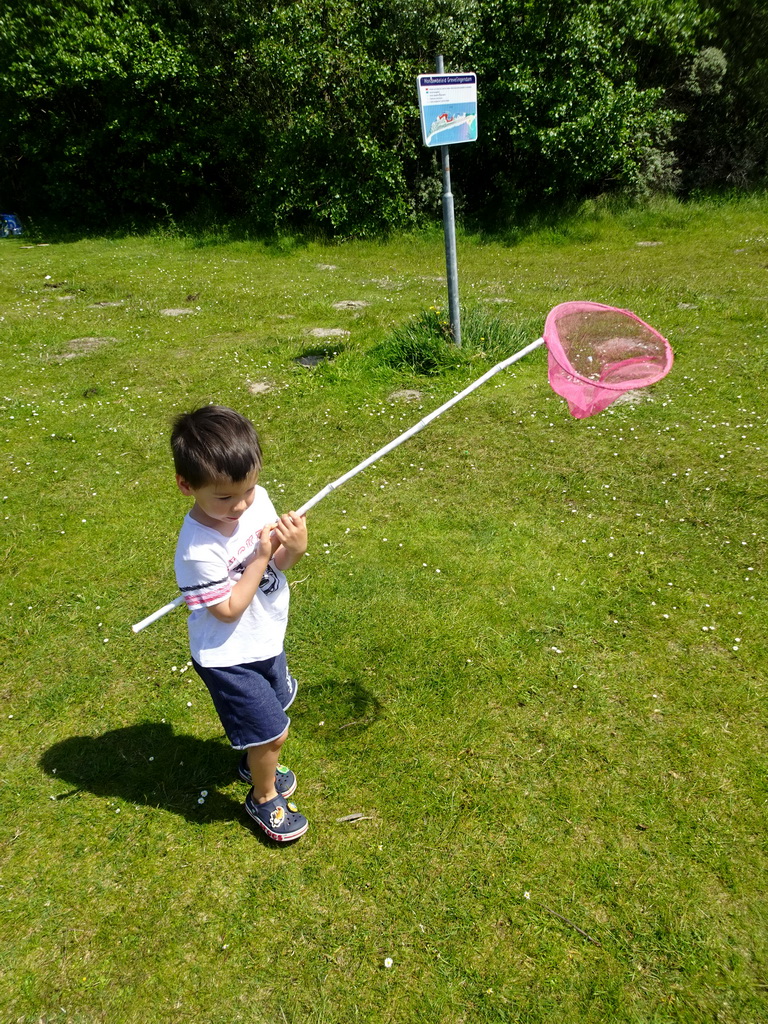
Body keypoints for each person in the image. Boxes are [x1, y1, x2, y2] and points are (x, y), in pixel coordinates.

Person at [171, 405, 309, 842]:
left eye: (247, 490)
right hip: (228, 656)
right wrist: (260, 557)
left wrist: (293, 549)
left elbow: (279, 564)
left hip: (265, 638)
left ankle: (255, 757)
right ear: (186, 485)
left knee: (272, 714)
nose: (241, 505)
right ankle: (264, 796)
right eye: (224, 497)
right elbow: (227, 610)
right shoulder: (197, 550)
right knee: (274, 734)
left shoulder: (256, 500)